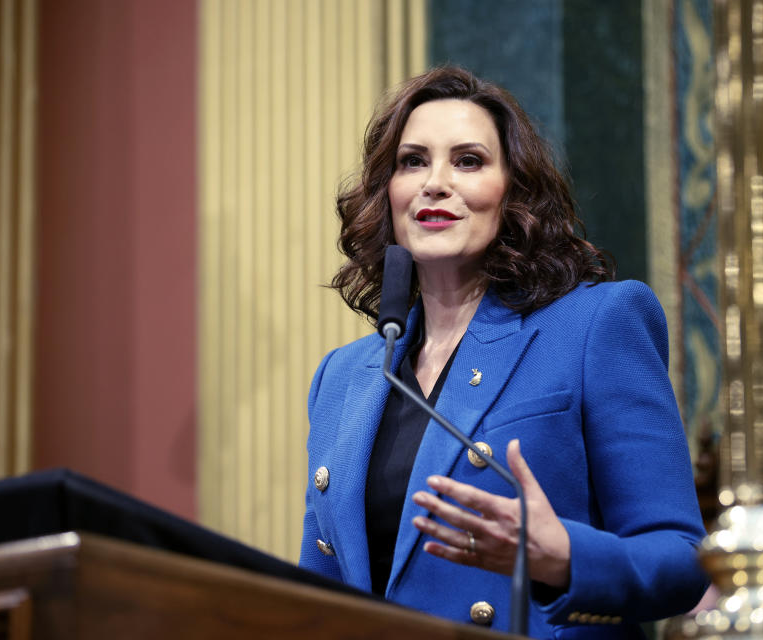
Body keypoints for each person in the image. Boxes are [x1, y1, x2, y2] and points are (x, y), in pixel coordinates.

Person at [299, 66, 709, 638]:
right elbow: (313, 594)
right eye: (412, 161)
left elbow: (682, 560)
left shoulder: (595, 324)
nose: (433, 183)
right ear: (386, 192)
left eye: (468, 161)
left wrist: (562, 555)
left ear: (513, 190)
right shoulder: (342, 378)